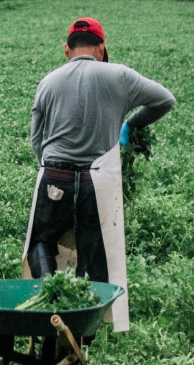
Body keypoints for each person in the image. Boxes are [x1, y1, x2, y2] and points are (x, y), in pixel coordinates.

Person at [23, 17, 176, 333]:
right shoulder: (119, 74)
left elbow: (36, 139)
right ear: (102, 47)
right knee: (94, 250)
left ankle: (50, 296)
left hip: (55, 179)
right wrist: (130, 124)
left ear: (67, 49)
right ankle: (85, 327)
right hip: (98, 183)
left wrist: (50, 168)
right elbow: (165, 100)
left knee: (42, 240)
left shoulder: (48, 81)